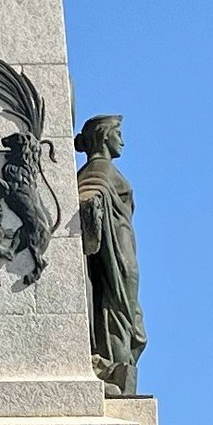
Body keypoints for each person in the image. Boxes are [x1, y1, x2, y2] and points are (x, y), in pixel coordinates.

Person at [75, 114, 145, 397]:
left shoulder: (101, 170)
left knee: (127, 316)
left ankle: (119, 367)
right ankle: (115, 367)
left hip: (123, 247)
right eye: (118, 134)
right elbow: (89, 197)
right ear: (105, 137)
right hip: (117, 255)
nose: (123, 141)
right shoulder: (98, 170)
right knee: (118, 311)